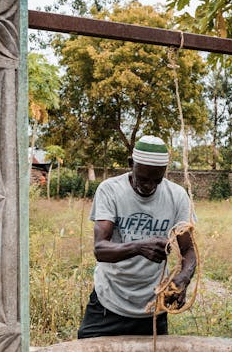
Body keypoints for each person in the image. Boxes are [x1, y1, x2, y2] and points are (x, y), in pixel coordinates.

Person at [77, 135, 196, 339]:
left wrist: (183, 278)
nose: (149, 185)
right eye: (142, 178)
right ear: (131, 164)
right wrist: (139, 247)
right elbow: (100, 249)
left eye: (156, 180)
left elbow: (188, 250)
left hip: (152, 306)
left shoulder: (177, 196)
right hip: (109, 302)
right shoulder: (110, 190)